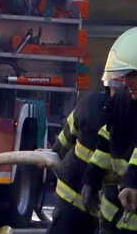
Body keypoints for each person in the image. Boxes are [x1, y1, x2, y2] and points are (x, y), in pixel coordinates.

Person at [83, 28, 137, 233]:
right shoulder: (123, 102)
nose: (125, 82)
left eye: (132, 74)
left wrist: (132, 179)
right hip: (116, 212)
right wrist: (92, 179)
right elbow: (107, 140)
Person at [49, 81, 112, 233]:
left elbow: (63, 142)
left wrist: (53, 153)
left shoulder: (90, 102)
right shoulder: (127, 116)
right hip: (101, 208)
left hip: (73, 200)